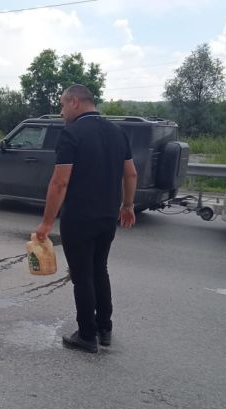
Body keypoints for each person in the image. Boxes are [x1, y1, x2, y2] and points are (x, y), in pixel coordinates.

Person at [35, 84, 137, 354]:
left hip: (80, 218)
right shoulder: (118, 132)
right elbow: (131, 174)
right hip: (107, 216)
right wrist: (128, 205)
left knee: (82, 277)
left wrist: (47, 223)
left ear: (76, 102)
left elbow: (60, 183)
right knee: (99, 269)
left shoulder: (72, 133)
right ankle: (105, 328)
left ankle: (87, 335)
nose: (61, 111)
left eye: (62, 105)